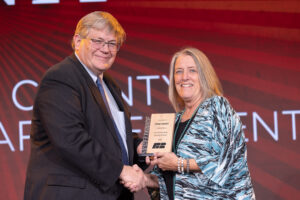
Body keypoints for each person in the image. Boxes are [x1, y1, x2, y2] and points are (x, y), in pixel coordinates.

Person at [24, 11, 146, 200]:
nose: (105, 49)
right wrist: (121, 171)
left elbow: (112, 136)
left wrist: (140, 148)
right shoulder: (61, 77)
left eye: (112, 43)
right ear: (78, 41)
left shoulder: (109, 84)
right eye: (98, 41)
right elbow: (70, 139)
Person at [126, 47, 256, 199]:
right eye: (178, 71)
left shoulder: (217, 106)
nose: (184, 77)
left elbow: (225, 161)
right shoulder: (173, 121)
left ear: (204, 76)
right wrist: (144, 179)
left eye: (192, 70)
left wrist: (178, 164)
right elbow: (169, 179)